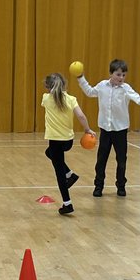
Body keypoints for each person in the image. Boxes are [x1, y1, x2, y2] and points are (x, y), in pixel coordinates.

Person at [75, 59, 140, 198]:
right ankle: (98, 186)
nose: (121, 78)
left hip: (120, 131)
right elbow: (90, 92)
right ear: (111, 73)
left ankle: (121, 186)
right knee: (101, 160)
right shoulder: (102, 86)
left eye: (123, 75)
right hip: (105, 130)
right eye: (118, 74)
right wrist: (81, 78)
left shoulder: (126, 89)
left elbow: (138, 98)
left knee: (121, 160)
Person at [41, 73, 94, 216]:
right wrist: (87, 129)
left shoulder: (46, 99)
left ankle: (67, 203)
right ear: (64, 85)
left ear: (47, 87)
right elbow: (81, 116)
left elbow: (53, 95)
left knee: (59, 174)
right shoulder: (71, 99)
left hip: (55, 141)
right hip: (68, 141)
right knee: (48, 153)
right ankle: (70, 174)